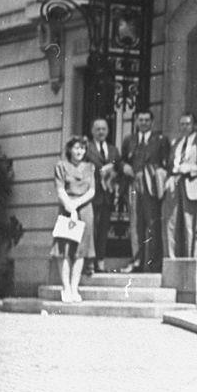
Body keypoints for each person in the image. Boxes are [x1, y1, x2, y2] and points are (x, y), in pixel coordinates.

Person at [120, 110, 169, 273]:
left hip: (151, 187)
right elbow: (121, 161)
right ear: (136, 122)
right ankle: (137, 261)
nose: (144, 123)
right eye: (140, 120)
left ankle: (152, 263)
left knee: (152, 223)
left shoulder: (160, 140)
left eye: (147, 120)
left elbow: (166, 163)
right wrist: (124, 167)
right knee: (135, 224)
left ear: (152, 122)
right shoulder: (129, 140)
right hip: (134, 186)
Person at [163, 111, 197, 259]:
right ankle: (171, 259)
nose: (184, 127)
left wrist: (191, 169)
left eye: (187, 124)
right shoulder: (176, 143)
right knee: (171, 224)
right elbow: (169, 165)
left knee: (191, 226)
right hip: (175, 185)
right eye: (182, 124)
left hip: (193, 185)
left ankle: (191, 259)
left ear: (194, 126)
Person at [52, 136, 96, 303]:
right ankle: (66, 288)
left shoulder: (90, 167)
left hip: (84, 209)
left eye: (82, 148)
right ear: (70, 149)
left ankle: (74, 287)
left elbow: (92, 191)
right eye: (76, 148)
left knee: (81, 251)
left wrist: (77, 205)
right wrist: (70, 207)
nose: (79, 151)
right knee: (64, 249)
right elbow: (60, 189)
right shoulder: (61, 166)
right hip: (66, 208)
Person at [84, 117, 120, 274]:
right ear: (92, 131)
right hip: (92, 194)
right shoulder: (87, 148)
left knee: (104, 229)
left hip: (108, 195)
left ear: (108, 131)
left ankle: (100, 260)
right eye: (97, 129)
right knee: (91, 228)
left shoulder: (113, 150)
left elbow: (118, 170)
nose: (101, 132)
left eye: (103, 129)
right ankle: (88, 262)